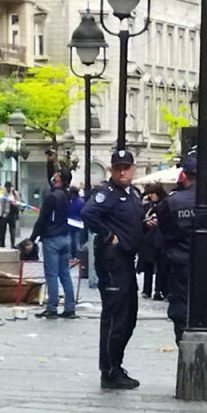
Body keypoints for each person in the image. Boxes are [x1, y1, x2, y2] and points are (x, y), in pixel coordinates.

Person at [157, 154, 207, 391]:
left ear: (184, 176)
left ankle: (190, 359)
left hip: (181, 267)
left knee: (181, 314)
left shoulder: (172, 202)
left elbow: (165, 233)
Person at [81, 150, 143, 390]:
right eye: (118, 168)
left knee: (128, 318)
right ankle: (110, 370)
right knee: (116, 317)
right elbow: (88, 213)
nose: (122, 172)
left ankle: (115, 364)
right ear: (112, 170)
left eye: (126, 167)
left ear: (132, 169)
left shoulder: (131, 194)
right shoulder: (107, 193)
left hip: (126, 261)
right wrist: (109, 235)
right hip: (113, 261)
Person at [31, 169, 77, 319]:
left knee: (51, 275)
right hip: (64, 237)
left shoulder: (51, 197)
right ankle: (70, 307)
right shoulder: (66, 195)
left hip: (52, 238)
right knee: (65, 273)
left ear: (59, 179)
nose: (52, 177)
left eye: (55, 176)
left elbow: (42, 218)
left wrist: (33, 238)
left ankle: (52, 307)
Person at [138, 183, 165, 300]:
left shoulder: (164, 205)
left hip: (159, 239)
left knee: (160, 266)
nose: (150, 196)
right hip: (149, 240)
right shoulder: (149, 206)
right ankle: (147, 290)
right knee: (149, 265)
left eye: (152, 194)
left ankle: (159, 290)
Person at [67, 185, 85, 259]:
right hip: (78, 224)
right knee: (77, 242)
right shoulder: (81, 201)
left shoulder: (69, 201)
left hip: (69, 223)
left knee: (69, 242)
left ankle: (70, 256)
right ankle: (78, 257)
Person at [6, 183, 21, 248]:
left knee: (12, 230)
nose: (8, 189)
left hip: (12, 213)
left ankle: (12, 244)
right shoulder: (3, 193)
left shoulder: (15, 193)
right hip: (5, 214)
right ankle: (1, 244)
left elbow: (18, 203)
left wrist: (14, 203)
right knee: (2, 230)